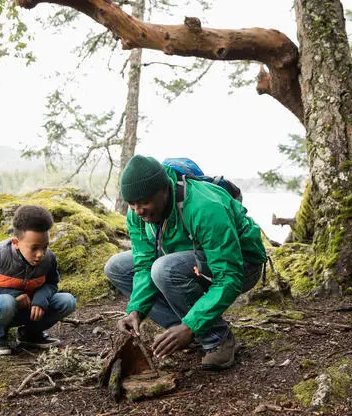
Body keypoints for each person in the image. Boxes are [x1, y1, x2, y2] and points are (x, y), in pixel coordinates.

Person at [105, 155, 267, 370]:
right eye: (132, 204)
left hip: (242, 265)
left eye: (144, 203)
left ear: (165, 189)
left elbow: (229, 276)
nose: (138, 211)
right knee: (117, 267)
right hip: (187, 259)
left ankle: (216, 338)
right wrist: (136, 310)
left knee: (164, 269)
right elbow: (144, 263)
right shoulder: (137, 214)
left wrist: (191, 326)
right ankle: (181, 330)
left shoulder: (205, 207)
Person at [0, 204, 77, 355]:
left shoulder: (49, 258)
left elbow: (52, 283)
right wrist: (13, 295)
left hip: (27, 309)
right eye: (34, 248)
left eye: (44, 247)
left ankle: (29, 334)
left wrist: (41, 298)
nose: (40, 254)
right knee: (6, 301)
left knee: (67, 301)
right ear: (16, 243)